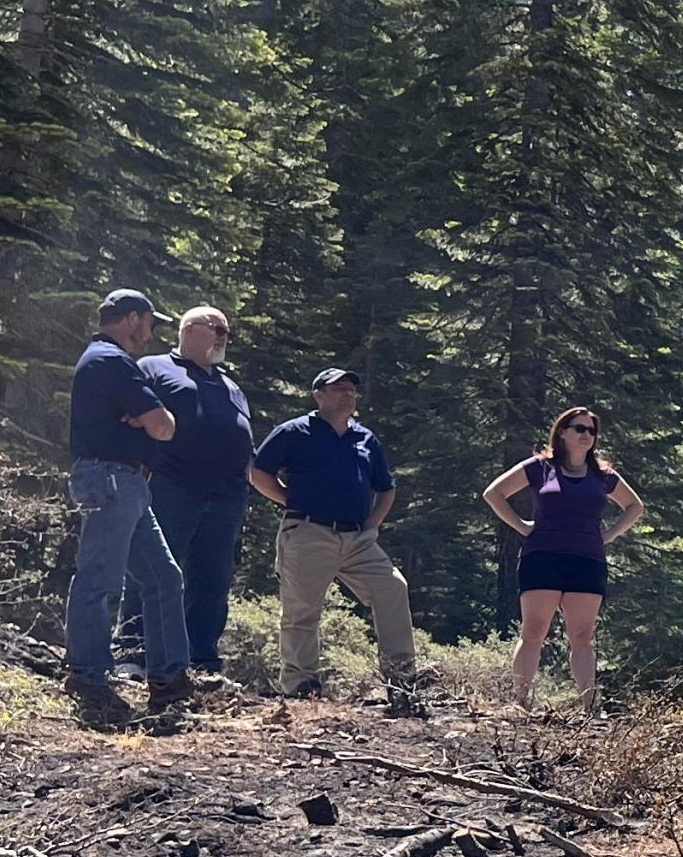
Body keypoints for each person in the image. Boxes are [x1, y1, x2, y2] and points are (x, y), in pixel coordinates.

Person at [62, 290, 218, 726]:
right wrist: (153, 416)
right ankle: (88, 674)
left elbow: (157, 423)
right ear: (131, 319)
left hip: (124, 482)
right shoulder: (110, 360)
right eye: (150, 322)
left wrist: (148, 417)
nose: (151, 332)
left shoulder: (105, 360)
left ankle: (168, 678)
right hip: (113, 480)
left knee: (163, 576)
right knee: (98, 576)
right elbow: (164, 427)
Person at [250, 367, 422, 715]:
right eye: (338, 389)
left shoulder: (364, 438)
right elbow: (258, 471)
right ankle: (301, 688)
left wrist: (373, 524)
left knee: (393, 588)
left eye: (352, 390)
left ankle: (401, 682)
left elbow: (386, 487)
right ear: (318, 395)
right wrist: (290, 499)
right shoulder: (295, 431)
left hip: (357, 537)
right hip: (309, 532)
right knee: (301, 610)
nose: (347, 395)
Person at [482, 406, 643, 713]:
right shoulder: (540, 467)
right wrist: (522, 526)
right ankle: (521, 704)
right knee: (533, 631)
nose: (586, 435)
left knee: (582, 637)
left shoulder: (602, 476)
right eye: (580, 428)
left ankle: (590, 709)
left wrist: (609, 535)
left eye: (592, 431)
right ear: (563, 432)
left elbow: (634, 507)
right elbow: (494, 493)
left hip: (587, 562)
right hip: (542, 557)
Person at [132, 304, 254, 680]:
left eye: (227, 333)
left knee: (212, 581)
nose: (223, 338)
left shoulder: (230, 385)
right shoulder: (154, 368)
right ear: (186, 330)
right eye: (216, 328)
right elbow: (133, 419)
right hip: (172, 486)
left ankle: (202, 659)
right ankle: (134, 652)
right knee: (152, 570)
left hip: (226, 497)